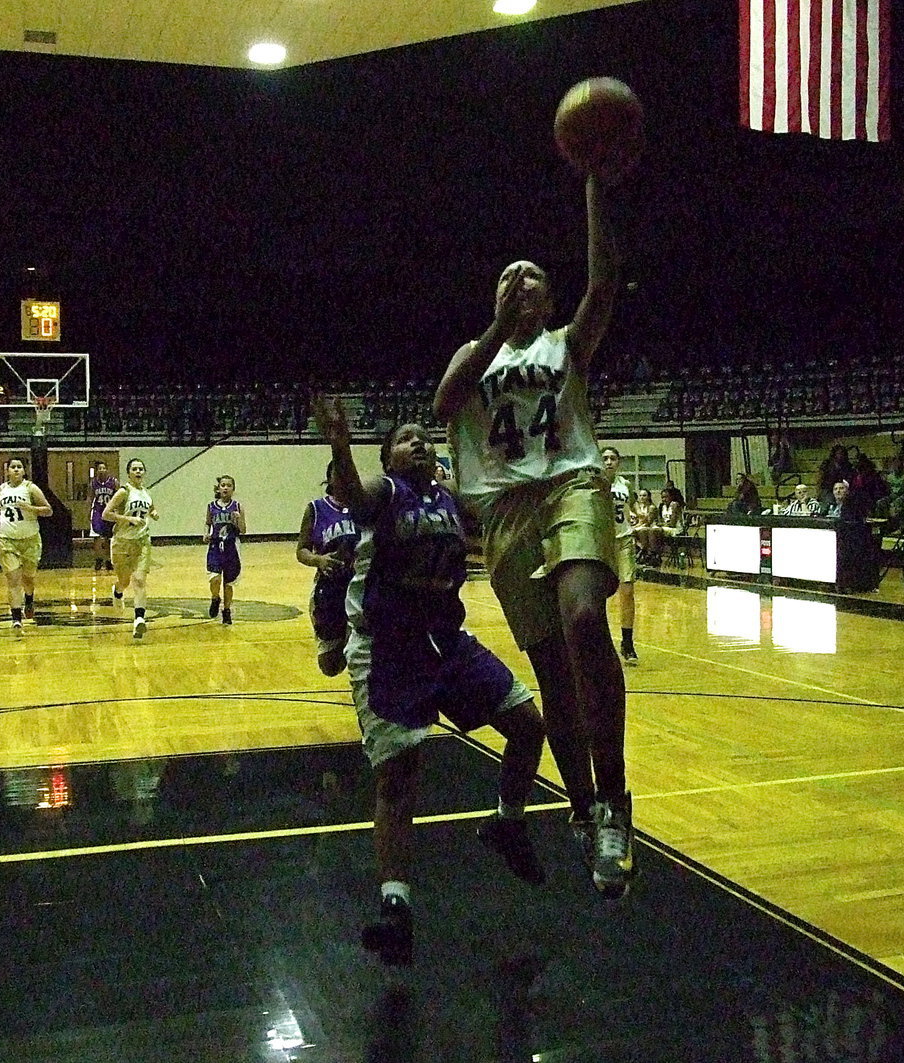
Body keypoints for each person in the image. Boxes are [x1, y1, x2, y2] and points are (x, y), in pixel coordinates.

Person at [434, 171, 636, 900]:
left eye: (535, 277)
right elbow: (444, 398)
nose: (523, 281)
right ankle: (583, 811)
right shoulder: (477, 351)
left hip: (571, 485)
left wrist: (592, 181)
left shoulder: (566, 344)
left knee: (585, 618)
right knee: (552, 672)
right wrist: (493, 326)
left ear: (549, 299)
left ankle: (614, 800)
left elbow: (605, 281)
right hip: (508, 512)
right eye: (510, 276)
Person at [314, 397, 547, 967]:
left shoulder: (448, 499)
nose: (418, 442)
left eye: (424, 436)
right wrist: (341, 446)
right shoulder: (385, 494)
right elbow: (353, 493)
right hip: (390, 650)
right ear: (389, 459)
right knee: (399, 776)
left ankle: (507, 823)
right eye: (405, 439)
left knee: (528, 725)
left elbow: (498, 506)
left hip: (448, 644)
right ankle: (396, 908)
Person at [295, 462, 359, 676]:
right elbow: (301, 550)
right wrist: (319, 560)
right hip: (329, 590)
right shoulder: (316, 508)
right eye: (337, 474)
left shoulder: (365, 506)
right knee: (330, 666)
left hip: (360, 587)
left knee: (362, 652)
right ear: (329, 479)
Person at [0, 457, 52, 634]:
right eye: (13, 467)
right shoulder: (1, 489)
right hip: (6, 540)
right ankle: (16, 618)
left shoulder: (31, 488)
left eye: (19, 467)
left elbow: (48, 510)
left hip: (30, 540)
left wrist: (31, 508)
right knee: (13, 579)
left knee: (28, 578)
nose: (16, 470)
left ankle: (29, 598)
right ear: (7, 470)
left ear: (24, 471)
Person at [102, 458, 157, 639]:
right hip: (121, 541)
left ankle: (139, 619)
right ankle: (117, 591)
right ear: (129, 473)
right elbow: (106, 514)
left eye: (141, 469)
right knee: (124, 581)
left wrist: (153, 513)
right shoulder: (123, 492)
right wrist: (129, 519)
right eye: (135, 469)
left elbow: (150, 508)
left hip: (142, 541)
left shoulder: (146, 493)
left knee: (140, 580)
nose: (138, 472)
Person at [602, 446, 639, 664]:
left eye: (612, 458)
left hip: (624, 540)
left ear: (618, 462)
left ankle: (627, 643)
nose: (608, 462)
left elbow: (629, 506)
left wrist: (631, 514)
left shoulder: (625, 484)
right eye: (605, 458)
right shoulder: (594, 484)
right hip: (602, 542)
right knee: (597, 595)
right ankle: (600, 644)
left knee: (627, 592)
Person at [205, 474, 245, 625]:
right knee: (214, 578)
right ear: (219, 488)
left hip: (231, 547)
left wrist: (238, 519)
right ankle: (215, 598)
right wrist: (206, 533)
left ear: (233, 489)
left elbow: (243, 530)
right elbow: (208, 523)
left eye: (229, 485)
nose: (225, 488)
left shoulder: (237, 506)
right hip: (215, 546)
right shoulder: (211, 506)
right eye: (223, 485)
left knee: (228, 583)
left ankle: (226, 610)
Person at [89, 461, 118, 572]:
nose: (102, 470)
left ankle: (108, 560)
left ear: (107, 470)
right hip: (97, 511)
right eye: (100, 468)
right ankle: (98, 559)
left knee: (108, 539)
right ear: (97, 470)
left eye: (104, 468)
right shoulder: (93, 483)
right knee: (97, 537)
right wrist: (88, 512)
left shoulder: (114, 482)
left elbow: (119, 497)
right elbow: (90, 498)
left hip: (109, 512)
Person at [631, 488, 662, 565]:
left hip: (652, 526)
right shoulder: (639, 507)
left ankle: (647, 553)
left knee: (643, 531)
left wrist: (636, 526)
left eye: (644, 495)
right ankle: (642, 552)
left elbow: (648, 522)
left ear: (648, 497)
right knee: (638, 531)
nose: (642, 497)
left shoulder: (652, 507)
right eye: (640, 495)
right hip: (641, 525)